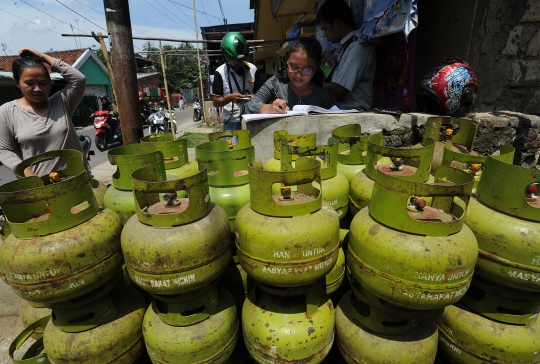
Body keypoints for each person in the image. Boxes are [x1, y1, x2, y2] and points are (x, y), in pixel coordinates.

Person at [0, 48, 86, 177]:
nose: (38, 89)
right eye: (29, 83)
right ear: (17, 83)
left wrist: (43, 57)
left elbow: (79, 79)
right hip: (40, 187)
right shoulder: (6, 111)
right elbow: (4, 150)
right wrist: (30, 175)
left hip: (78, 179)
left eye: (43, 83)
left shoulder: (62, 102)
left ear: (50, 83)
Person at [245, 37, 333, 114]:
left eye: (306, 70)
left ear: (315, 69)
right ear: (287, 62)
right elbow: (250, 106)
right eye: (294, 67)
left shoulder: (322, 97)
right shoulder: (275, 84)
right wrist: (269, 108)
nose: (298, 75)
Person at [317, 0, 376, 111]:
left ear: (337, 23)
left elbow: (339, 90)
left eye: (325, 29)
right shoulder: (344, 48)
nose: (325, 35)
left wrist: (310, 85)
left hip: (353, 117)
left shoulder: (359, 48)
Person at [212, 32, 257, 131]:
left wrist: (250, 97)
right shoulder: (219, 73)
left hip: (251, 118)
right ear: (226, 57)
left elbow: (261, 94)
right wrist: (230, 98)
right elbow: (216, 102)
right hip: (231, 121)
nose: (239, 64)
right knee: (232, 145)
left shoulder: (253, 69)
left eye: (241, 60)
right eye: (235, 61)